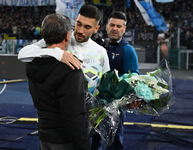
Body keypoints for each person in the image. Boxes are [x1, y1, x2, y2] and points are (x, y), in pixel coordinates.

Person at [26, 14, 90, 150]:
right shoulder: (70, 68)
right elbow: (74, 115)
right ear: (67, 36)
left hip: (44, 135)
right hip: (65, 140)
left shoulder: (32, 63)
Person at [92, 11, 139, 150]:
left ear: (124, 29)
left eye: (119, 26)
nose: (115, 28)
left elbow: (133, 77)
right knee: (94, 143)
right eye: (112, 25)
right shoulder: (97, 47)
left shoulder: (128, 51)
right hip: (92, 103)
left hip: (114, 107)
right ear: (106, 26)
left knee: (114, 143)